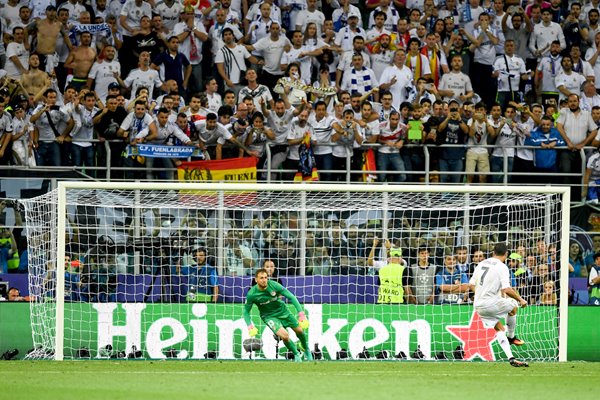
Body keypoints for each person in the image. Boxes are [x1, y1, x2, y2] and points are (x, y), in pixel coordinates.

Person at [470, 242, 529, 367]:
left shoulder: (482, 263)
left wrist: (481, 293)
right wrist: (521, 300)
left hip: (478, 306)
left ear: (493, 252)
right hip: (491, 303)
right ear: (506, 254)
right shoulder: (502, 267)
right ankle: (512, 337)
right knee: (513, 307)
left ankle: (511, 358)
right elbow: (507, 289)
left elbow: (471, 285)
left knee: (499, 328)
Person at [243, 268, 312, 362]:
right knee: (285, 336)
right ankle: (296, 354)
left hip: (283, 312)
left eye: (266, 277)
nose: (264, 280)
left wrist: (301, 314)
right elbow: (246, 311)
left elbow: (291, 297)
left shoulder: (274, 285)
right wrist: (249, 326)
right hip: (269, 317)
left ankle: (306, 348)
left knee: (300, 331)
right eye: (261, 278)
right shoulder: (251, 294)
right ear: (256, 280)